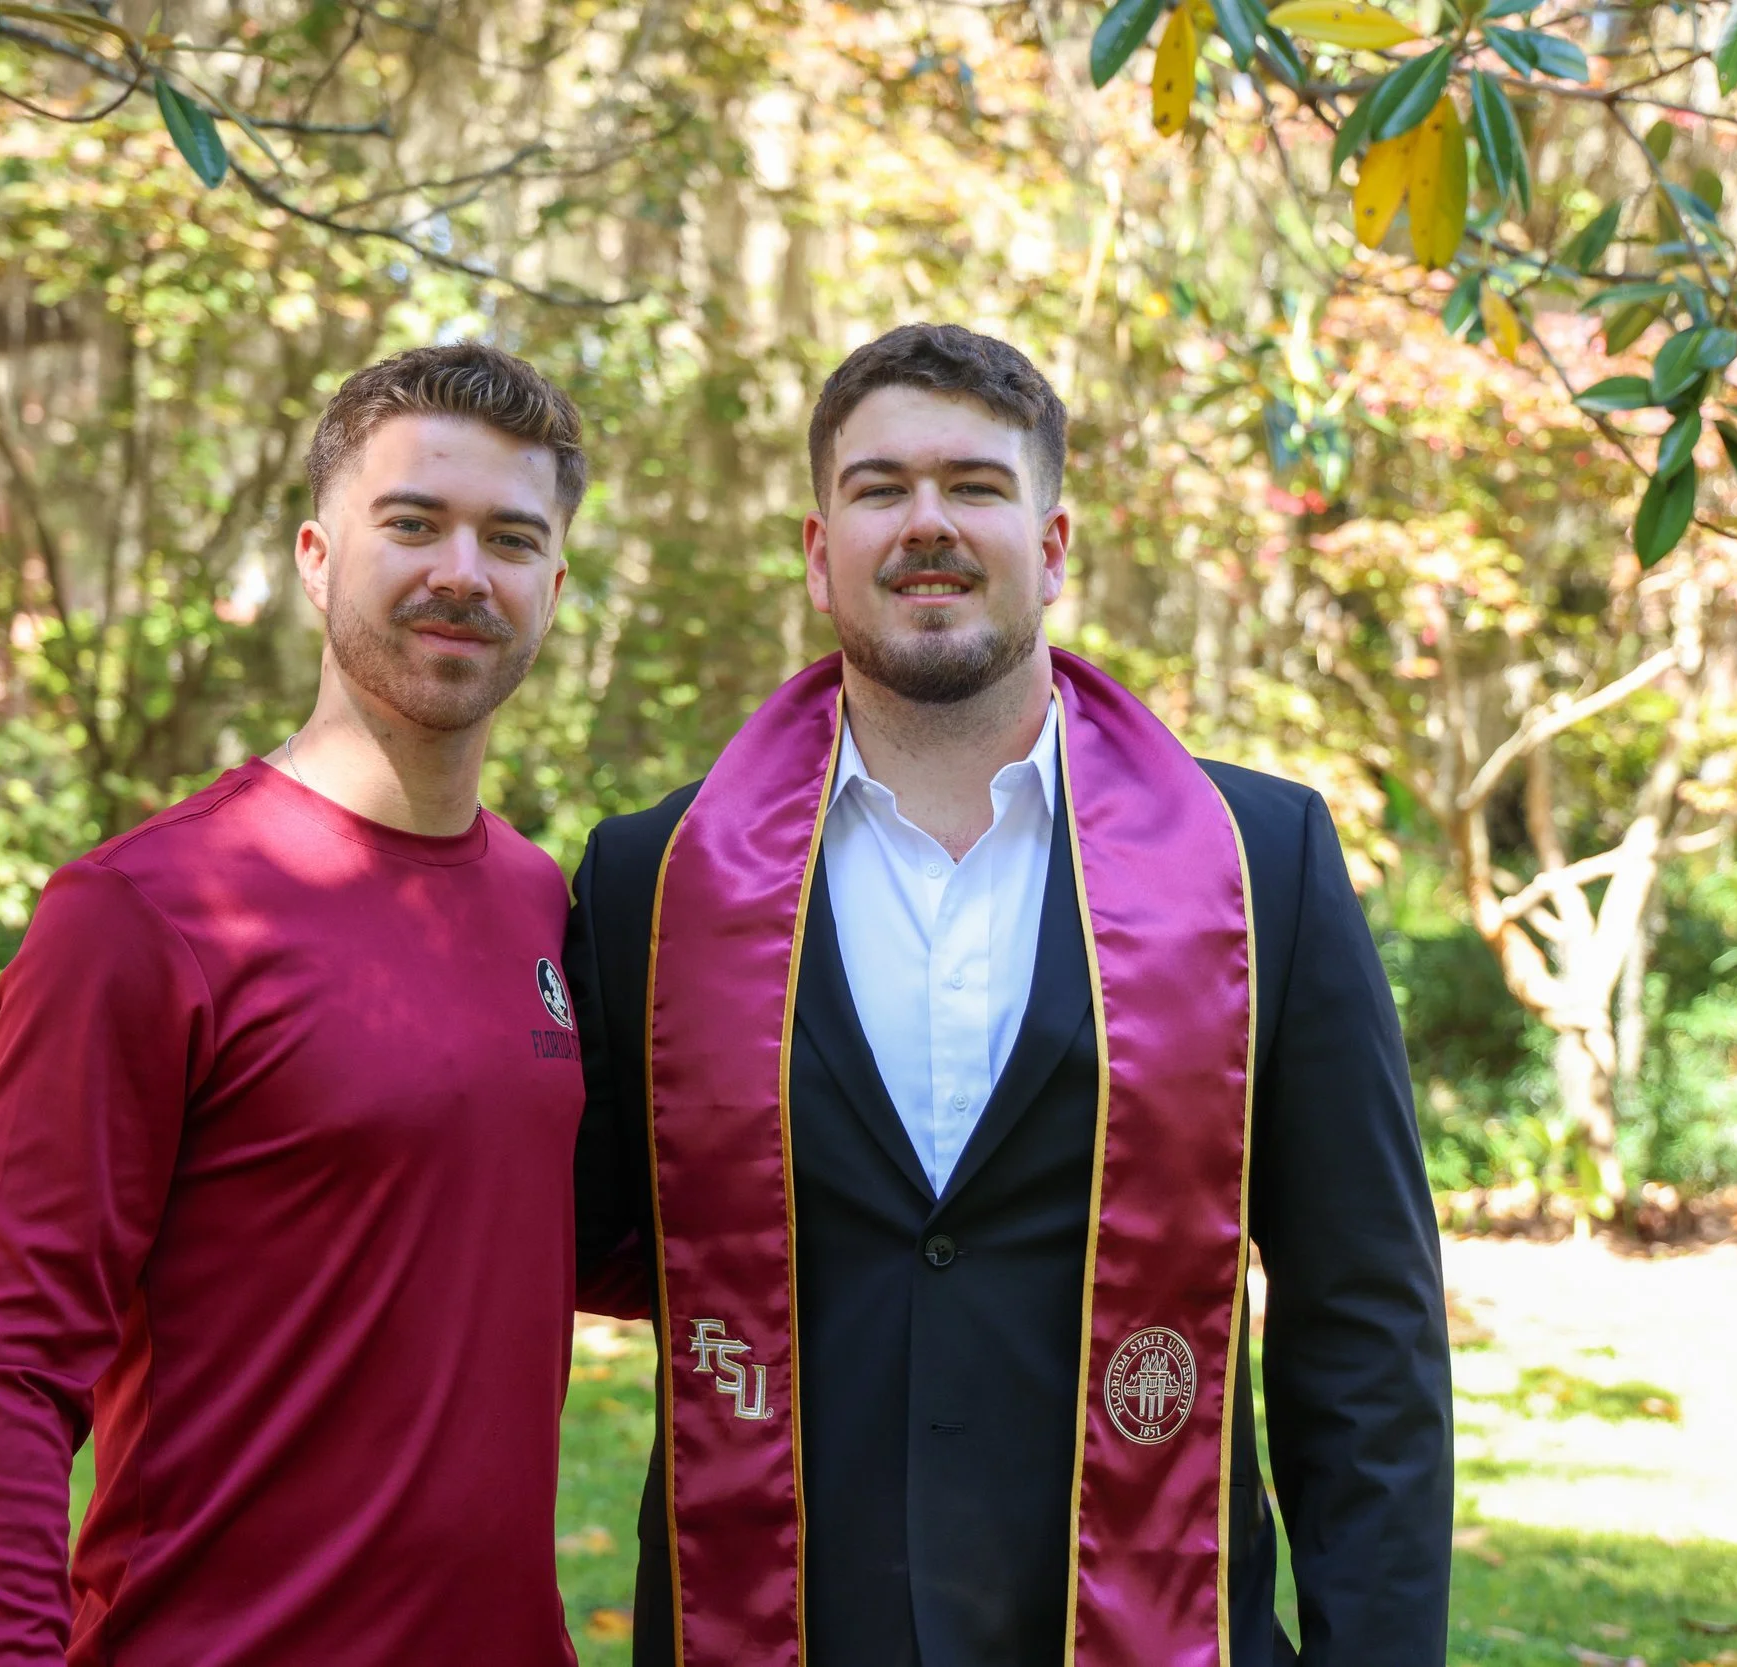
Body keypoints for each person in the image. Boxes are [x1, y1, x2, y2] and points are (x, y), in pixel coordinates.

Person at [566, 323, 1451, 1667]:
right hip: (776, 1627)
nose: (929, 522)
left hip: (1140, 1627)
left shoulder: (1261, 865)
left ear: (1050, 544)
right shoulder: (657, 881)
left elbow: (1365, 1320)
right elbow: (566, 1243)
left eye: (976, 484)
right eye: (881, 488)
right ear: (819, 552)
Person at [0, 344, 591, 1666]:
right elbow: (7, 1378)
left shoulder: (536, 900)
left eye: (511, 538)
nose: (464, 571)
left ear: (553, 587)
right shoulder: (146, 913)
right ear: (316, 555)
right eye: (412, 523)